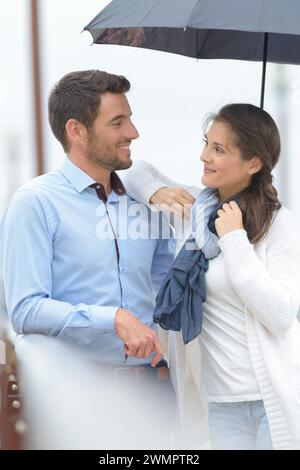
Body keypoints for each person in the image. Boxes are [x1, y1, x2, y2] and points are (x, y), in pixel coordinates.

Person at [0, 71, 176, 446]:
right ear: (76, 130)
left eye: (130, 118)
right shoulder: (34, 203)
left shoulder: (145, 201)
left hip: (158, 392)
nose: (133, 132)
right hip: (80, 396)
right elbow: (25, 309)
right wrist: (111, 318)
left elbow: (166, 288)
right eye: (118, 122)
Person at [122, 103, 300, 450]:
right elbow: (136, 172)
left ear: (253, 163)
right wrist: (156, 193)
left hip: (271, 401)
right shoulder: (196, 213)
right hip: (219, 404)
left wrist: (235, 240)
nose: (204, 156)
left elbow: (281, 315)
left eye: (219, 150)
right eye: (206, 143)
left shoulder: (281, 225)